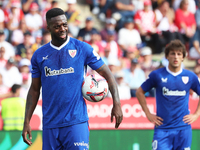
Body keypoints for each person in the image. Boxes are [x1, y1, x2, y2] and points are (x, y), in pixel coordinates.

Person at [22, 8, 123, 149]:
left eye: (64, 25)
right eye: (57, 26)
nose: (62, 29)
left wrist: (116, 103)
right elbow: (34, 90)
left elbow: (108, 74)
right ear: (48, 27)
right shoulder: (39, 55)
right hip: (50, 124)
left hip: (76, 122)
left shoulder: (82, 48)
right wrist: (27, 121)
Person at [136, 39, 200, 149]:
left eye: (179, 54)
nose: (176, 57)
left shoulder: (190, 76)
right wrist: (148, 113)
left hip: (183, 129)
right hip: (162, 129)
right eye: (172, 53)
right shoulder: (157, 75)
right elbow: (139, 92)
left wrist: (196, 114)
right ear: (167, 56)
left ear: (183, 57)